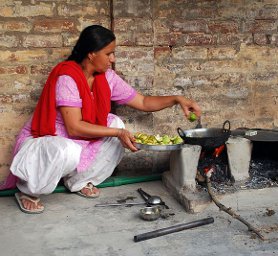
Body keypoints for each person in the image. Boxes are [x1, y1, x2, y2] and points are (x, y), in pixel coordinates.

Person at [10, 25, 201, 214]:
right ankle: (28, 191)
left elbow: (143, 102)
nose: (113, 59)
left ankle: (79, 181)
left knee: (115, 123)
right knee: (70, 149)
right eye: (109, 53)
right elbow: (74, 128)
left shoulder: (107, 78)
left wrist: (177, 99)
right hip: (51, 137)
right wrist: (118, 133)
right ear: (92, 54)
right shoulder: (67, 78)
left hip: (78, 139)